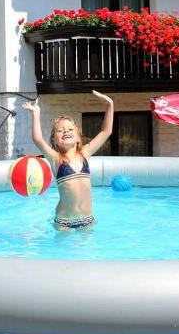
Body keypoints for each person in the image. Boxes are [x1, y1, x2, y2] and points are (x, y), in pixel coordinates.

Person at [22, 90, 114, 230]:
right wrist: (36, 113)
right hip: (64, 221)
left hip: (87, 219)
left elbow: (106, 131)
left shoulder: (84, 153)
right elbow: (38, 139)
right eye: (60, 130)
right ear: (54, 140)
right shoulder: (56, 159)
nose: (66, 131)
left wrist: (110, 104)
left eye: (70, 129)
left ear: (78, 137)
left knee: (87, 251)